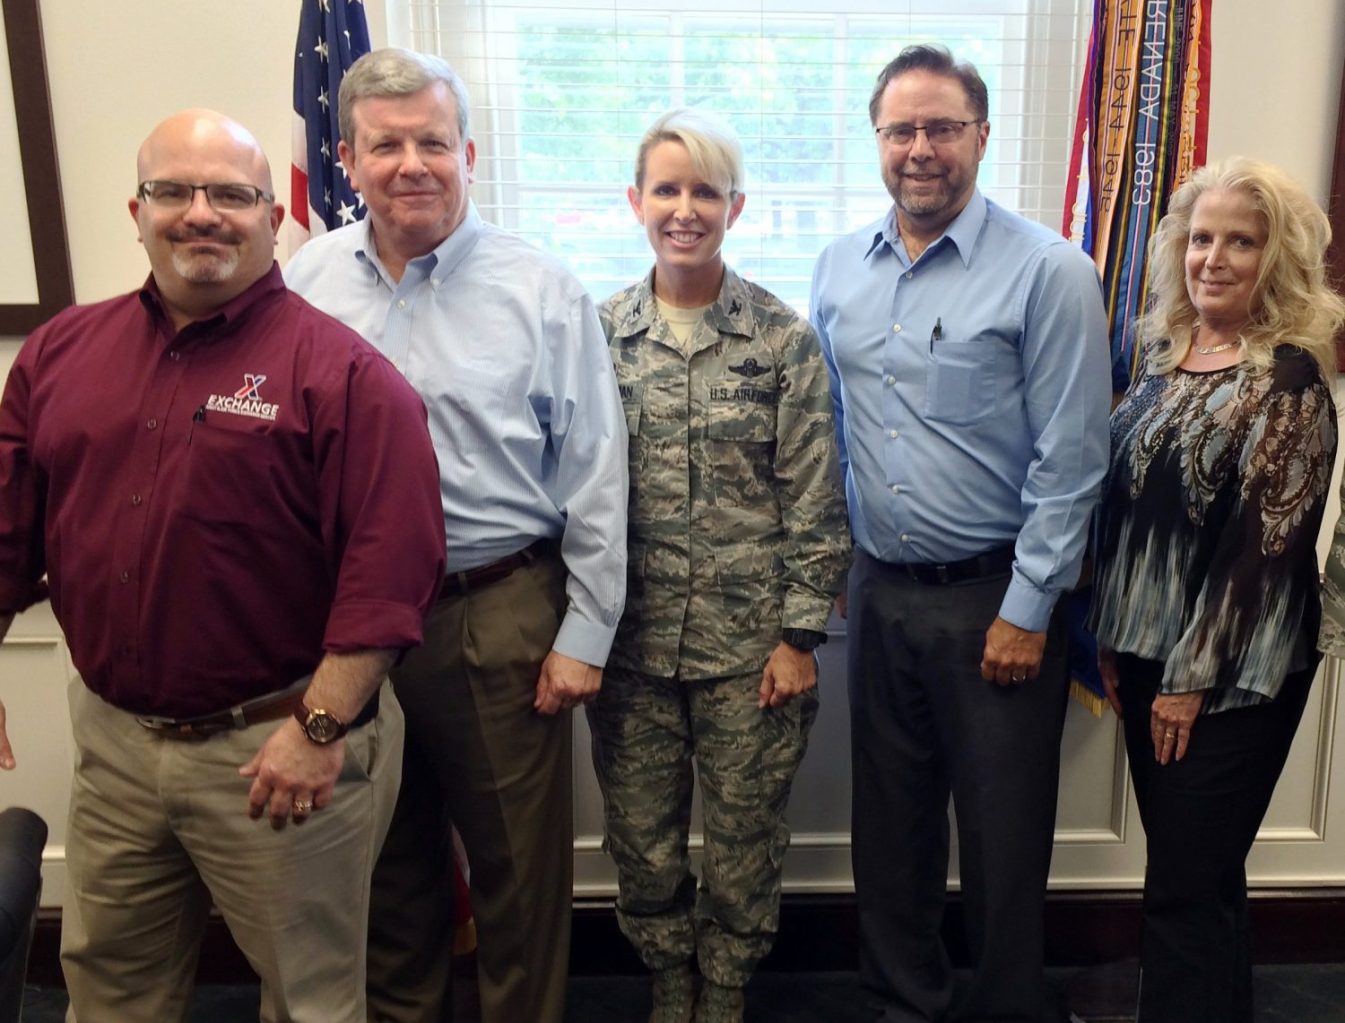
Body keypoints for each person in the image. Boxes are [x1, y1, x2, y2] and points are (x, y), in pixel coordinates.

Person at [0, 109, 446, 1022]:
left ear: (271, 218)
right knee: (109, 985)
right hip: (117, 747)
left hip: (276, 748)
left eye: (233, 194)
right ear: (137, 209)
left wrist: (318, 729)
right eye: (175, 191)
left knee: (310, 999)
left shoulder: (346, 377)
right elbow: (6, 533)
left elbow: (389, 573)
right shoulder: (57, 356)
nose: (201, 213)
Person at [283, 47, 628, 1023]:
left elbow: (597, 469)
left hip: (495, 614)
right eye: (385, 145)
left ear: (467, 153)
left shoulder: (539, 289)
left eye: (432, 141)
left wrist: (583, 636)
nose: (411, 164)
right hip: (348, 626)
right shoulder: (307, 282)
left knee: (518, 883)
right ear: (346, 160)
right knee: (388, 873)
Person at [810, 45, 1111, 1022]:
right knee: (888, 832)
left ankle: (1009, 1009)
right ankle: (904, 1003)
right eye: (901, 129)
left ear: (981, 135)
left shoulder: (1049, 272)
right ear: (877, 142)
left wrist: (1030, 612)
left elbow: (1072, 459)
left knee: (1001, 837)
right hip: (881, 590)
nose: (920, 149)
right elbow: (832, 434)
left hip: (997, 600)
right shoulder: (836, 272)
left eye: (942, 127)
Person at [588, 110, 850, 1023]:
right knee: (643, 843)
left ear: (736, 206)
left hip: (753, 654)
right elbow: (576, 494)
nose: (685, 209)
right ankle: (669, 981)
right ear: (636, 202)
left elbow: (815, 496)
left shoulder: (781, 340)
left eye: (705, 190)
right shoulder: (598, 335)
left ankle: (727, 988)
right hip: (630, 648)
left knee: (743, 843)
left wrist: (799, 634)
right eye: (667, 189)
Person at [1091, 157, 1343, 1023]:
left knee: (1183, 893)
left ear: (1277, 258)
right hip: (1144, 655)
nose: (1214, 257)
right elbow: (1125, 508)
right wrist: (1108, 633)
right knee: (1196, 879)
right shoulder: (1164, 356)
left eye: (1242, 240)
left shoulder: (1289, 380)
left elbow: (1262, 553)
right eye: (1201, 238)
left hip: (1230, 679)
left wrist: (1189, 680)